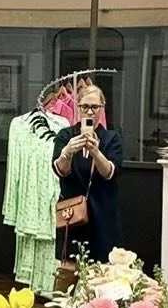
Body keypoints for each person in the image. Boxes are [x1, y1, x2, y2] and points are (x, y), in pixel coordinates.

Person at [52, 80, 124, 261]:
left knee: (104, 268)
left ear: (102, 108)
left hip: (103, 212)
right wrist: (67, 152)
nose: (90, 112)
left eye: (94, 107)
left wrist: (96, 152)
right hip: (73, 213)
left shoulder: (111, 138)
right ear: (78, 107)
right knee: (71, 267)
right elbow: (61, 171)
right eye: (85, 106)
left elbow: (110, 173)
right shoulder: (65, 135)